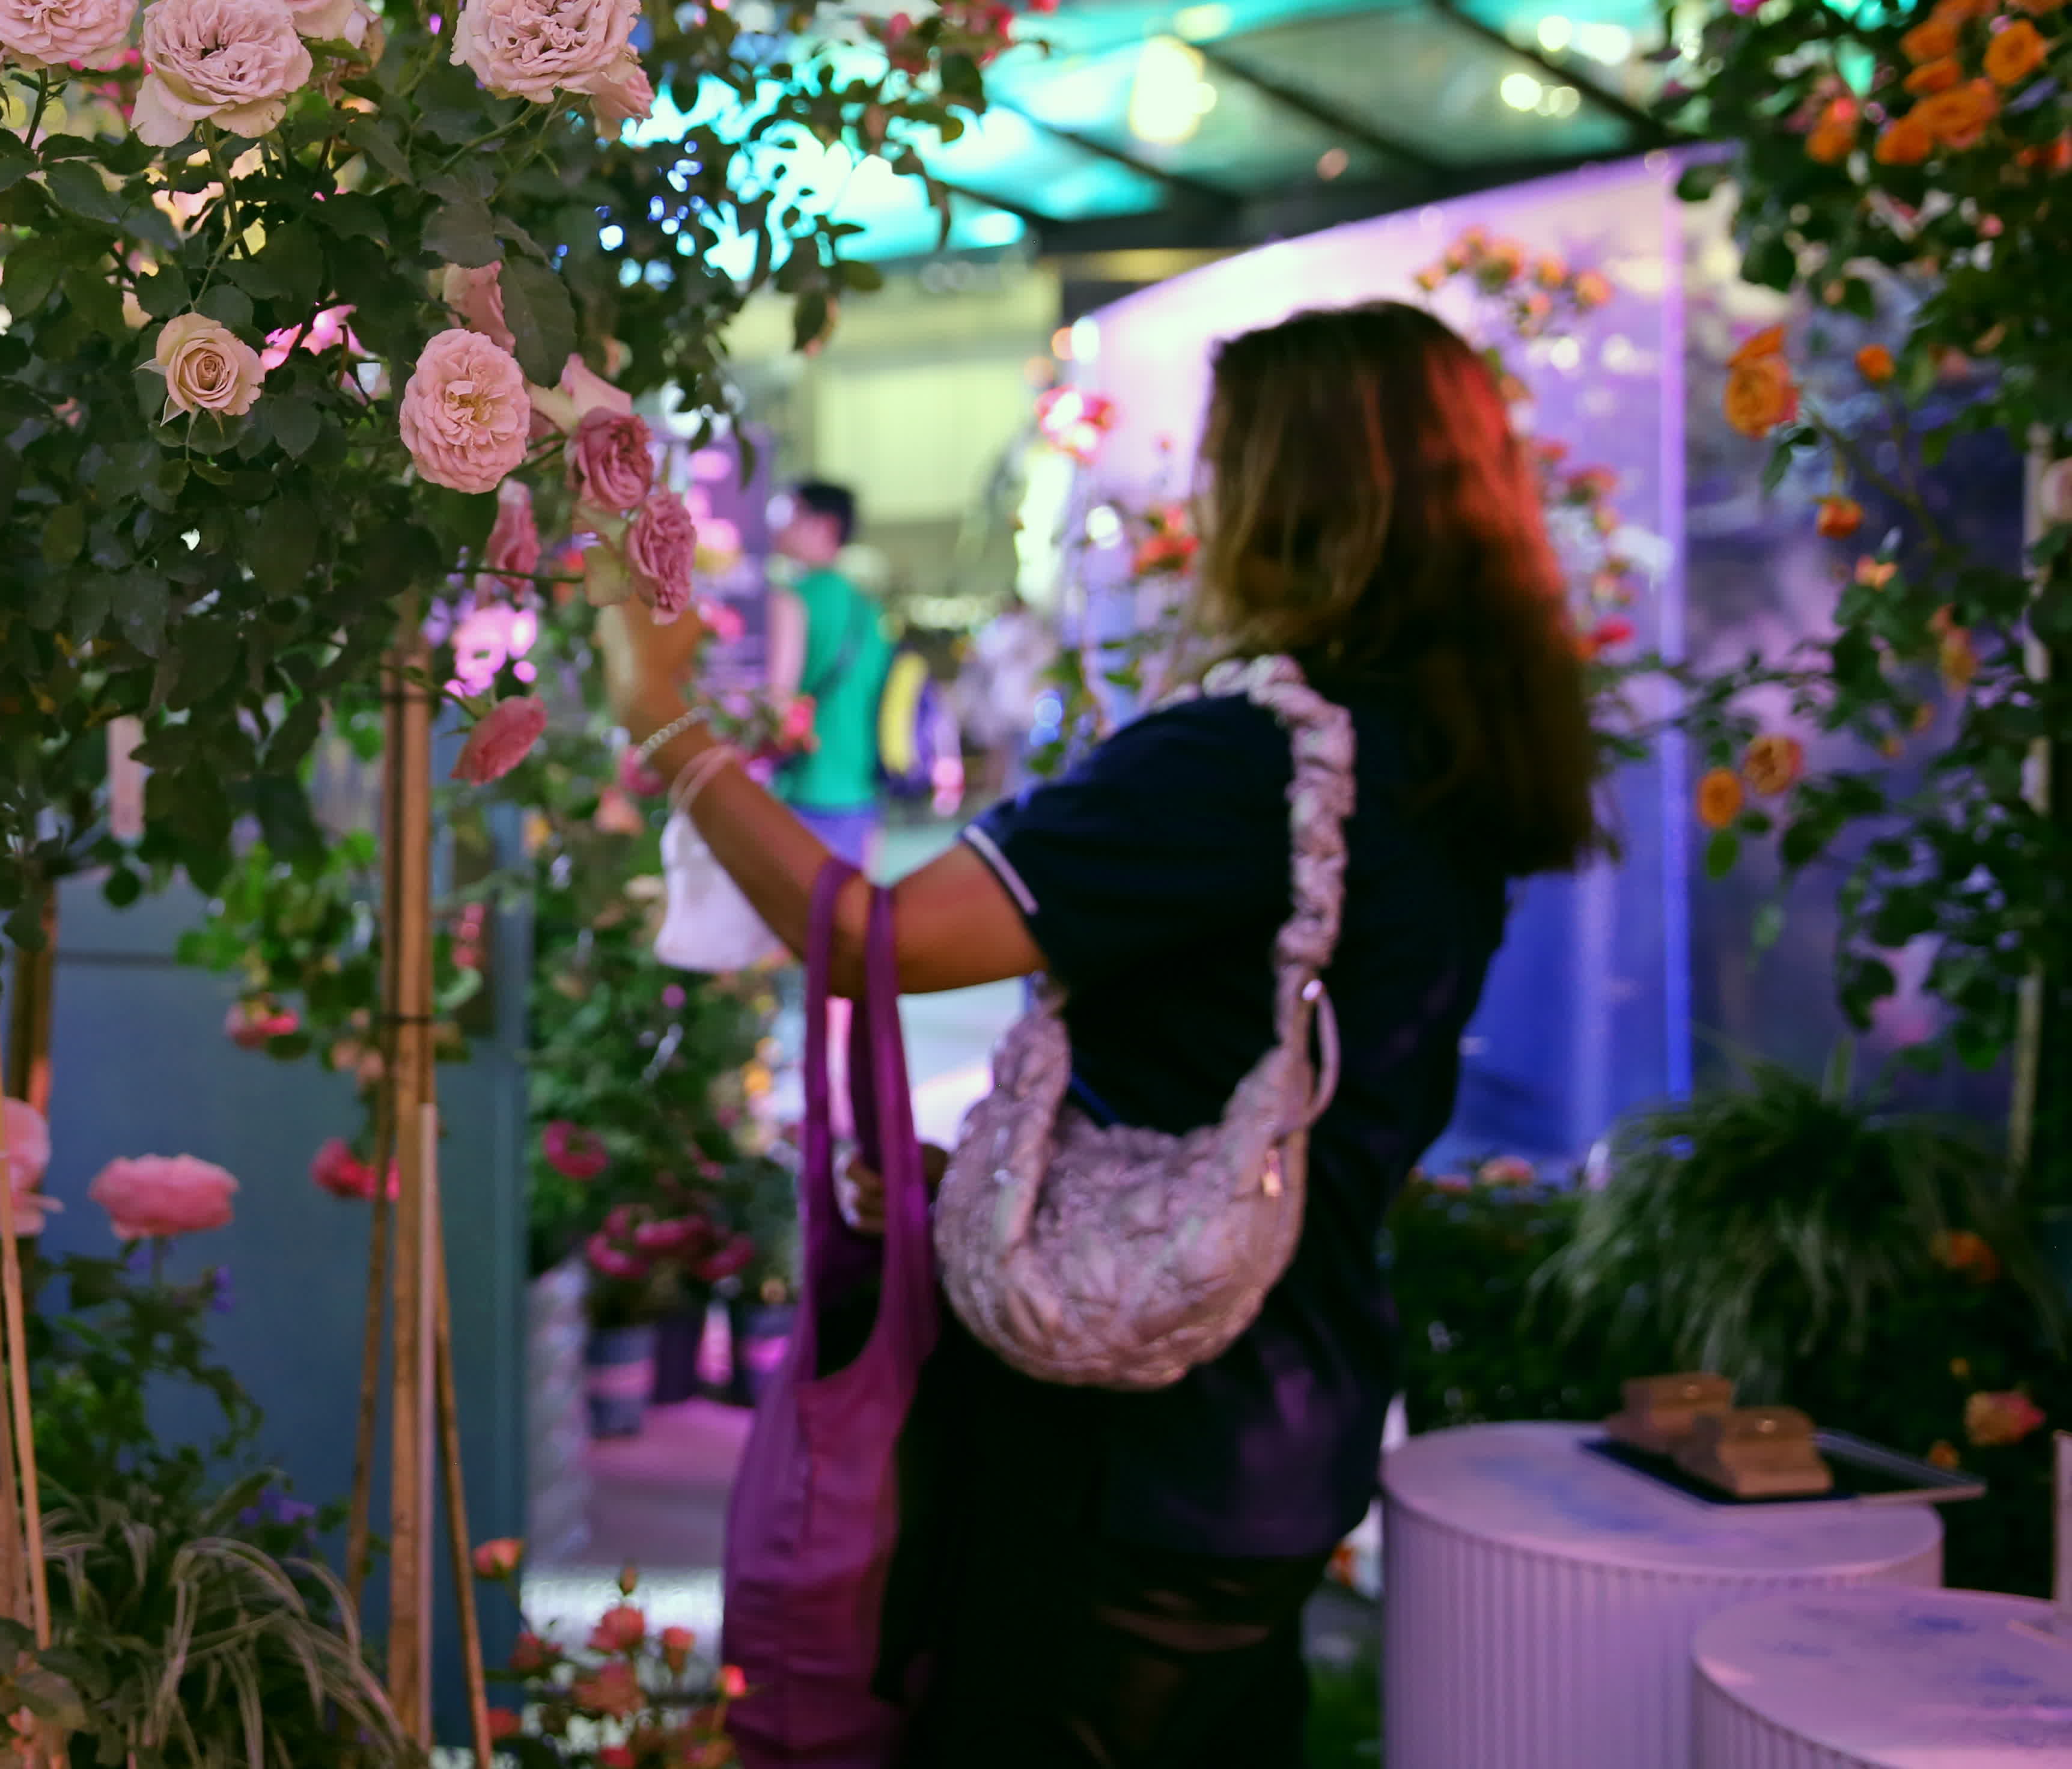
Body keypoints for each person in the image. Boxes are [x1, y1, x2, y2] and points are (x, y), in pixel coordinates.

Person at [620, 302, 1597, 1765]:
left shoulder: (1238, 762)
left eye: (1218, 466)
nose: (1191, 509)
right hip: (1288, 1402)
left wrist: (662, 718)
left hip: (1128, 1442)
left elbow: (867, 939)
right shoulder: (1437, 754)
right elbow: (1250, 1075)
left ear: (1291, 498)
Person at [766, 481, 888, 869]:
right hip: (861, 795)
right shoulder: (868, 609)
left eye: (793, 513)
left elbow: (777, 702)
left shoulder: (790, 600)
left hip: (803, 790)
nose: (781, 525)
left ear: (827, 526)